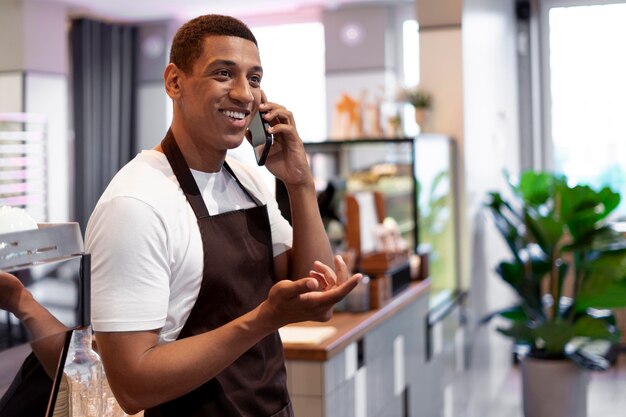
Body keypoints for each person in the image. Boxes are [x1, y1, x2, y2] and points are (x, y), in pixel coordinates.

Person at [84, 14, 362, 417]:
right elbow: (132, 385)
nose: (244, 94)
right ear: (174, 82)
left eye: (253, 78)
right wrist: (263, 319)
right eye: (223, 73)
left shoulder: (248, 177)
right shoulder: (134, 205)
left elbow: (317, 300)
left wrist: (300, 184)